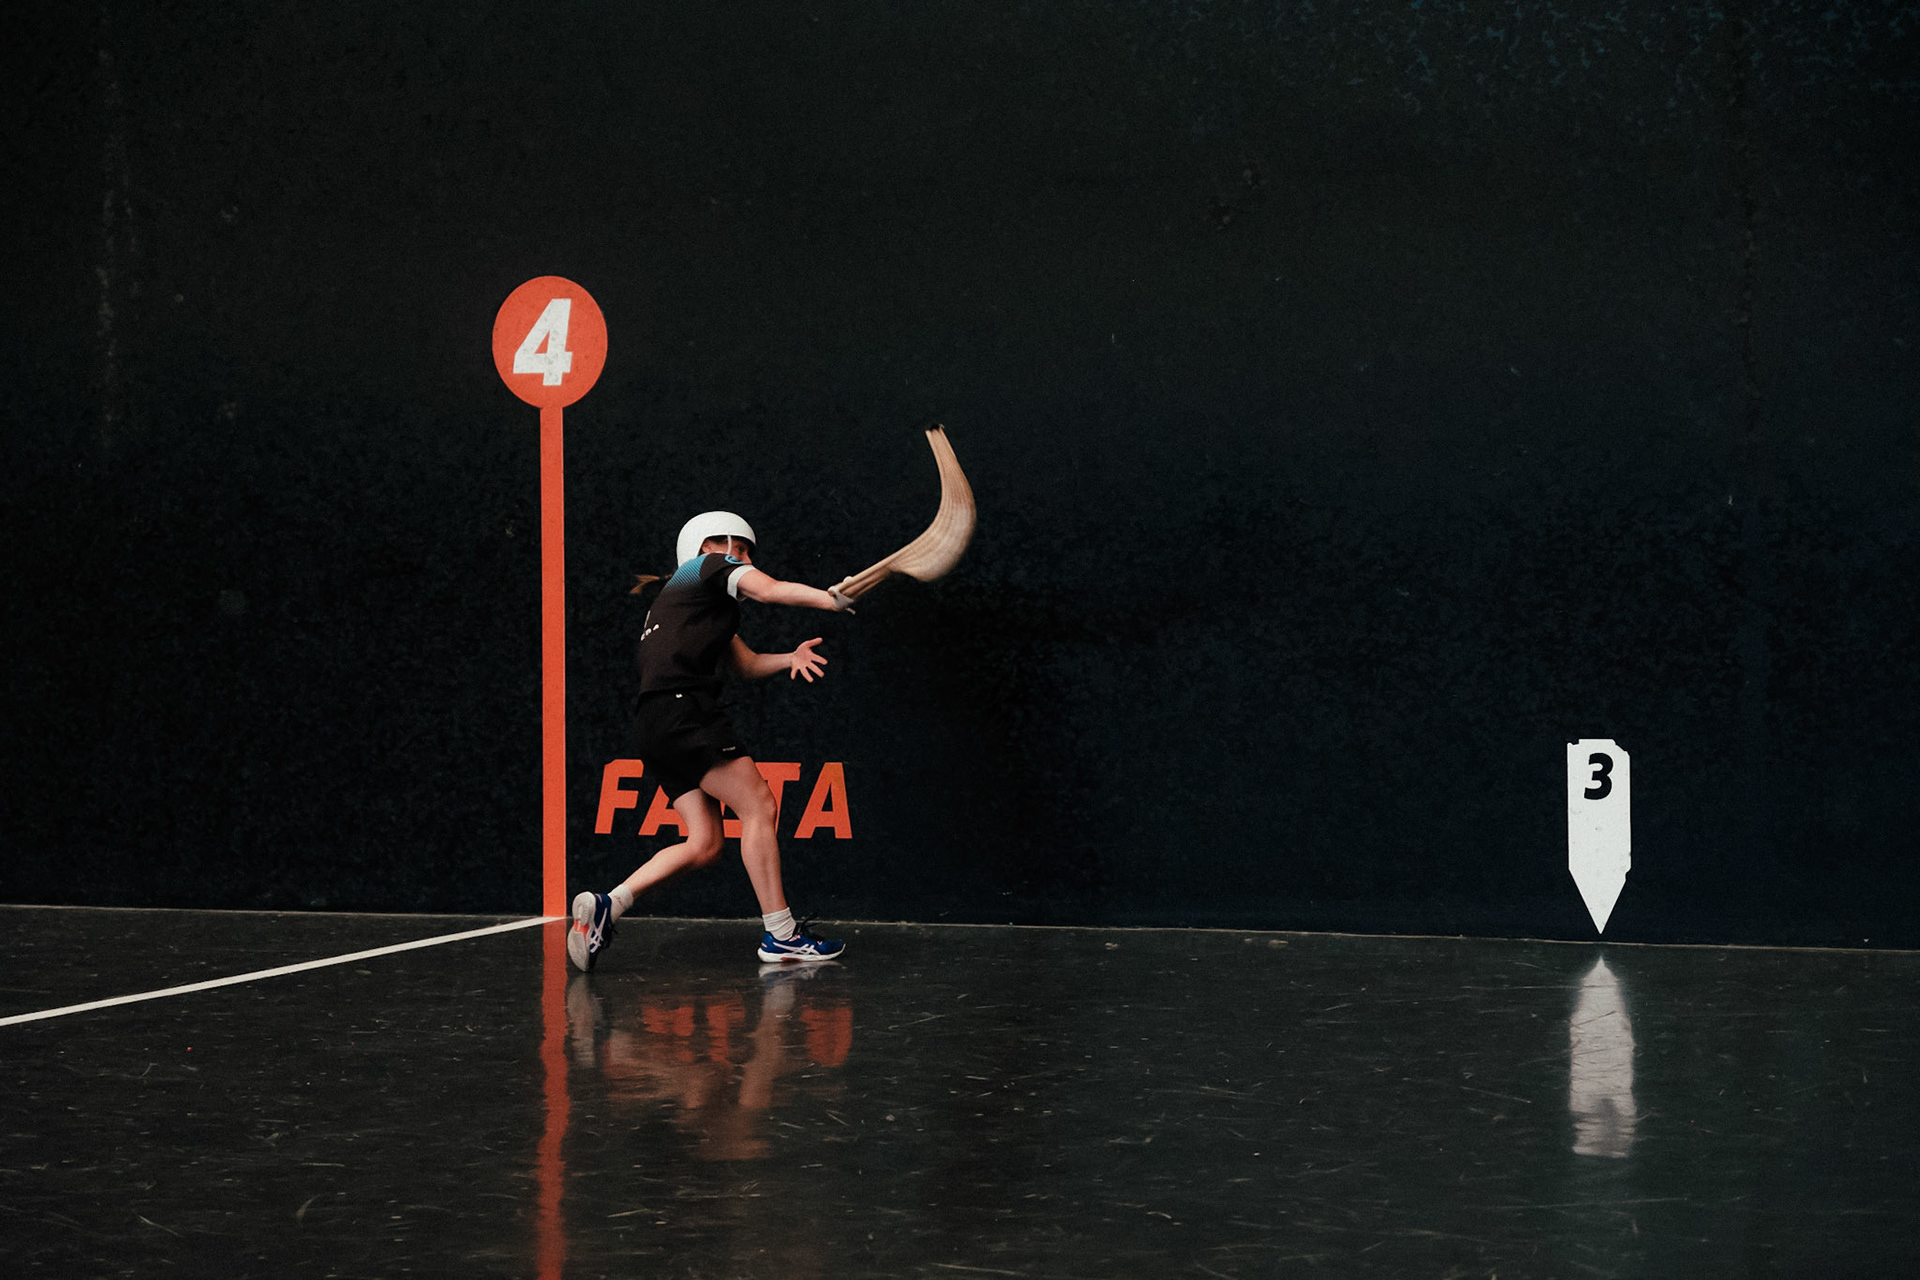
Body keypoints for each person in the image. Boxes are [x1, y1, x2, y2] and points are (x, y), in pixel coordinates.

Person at [568, 511, 853, 973]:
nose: (738, 557)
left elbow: (746, 664)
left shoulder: (685, 602)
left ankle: (609, 904)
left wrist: (790, 658)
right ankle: (782, 936)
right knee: (759, 806)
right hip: (686, 711)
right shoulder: (703, 568)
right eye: (730, 547)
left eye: (744, 551)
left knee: (704, 842)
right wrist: (829, 599)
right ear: (703, 549)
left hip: (654, 724)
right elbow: (769, 589)